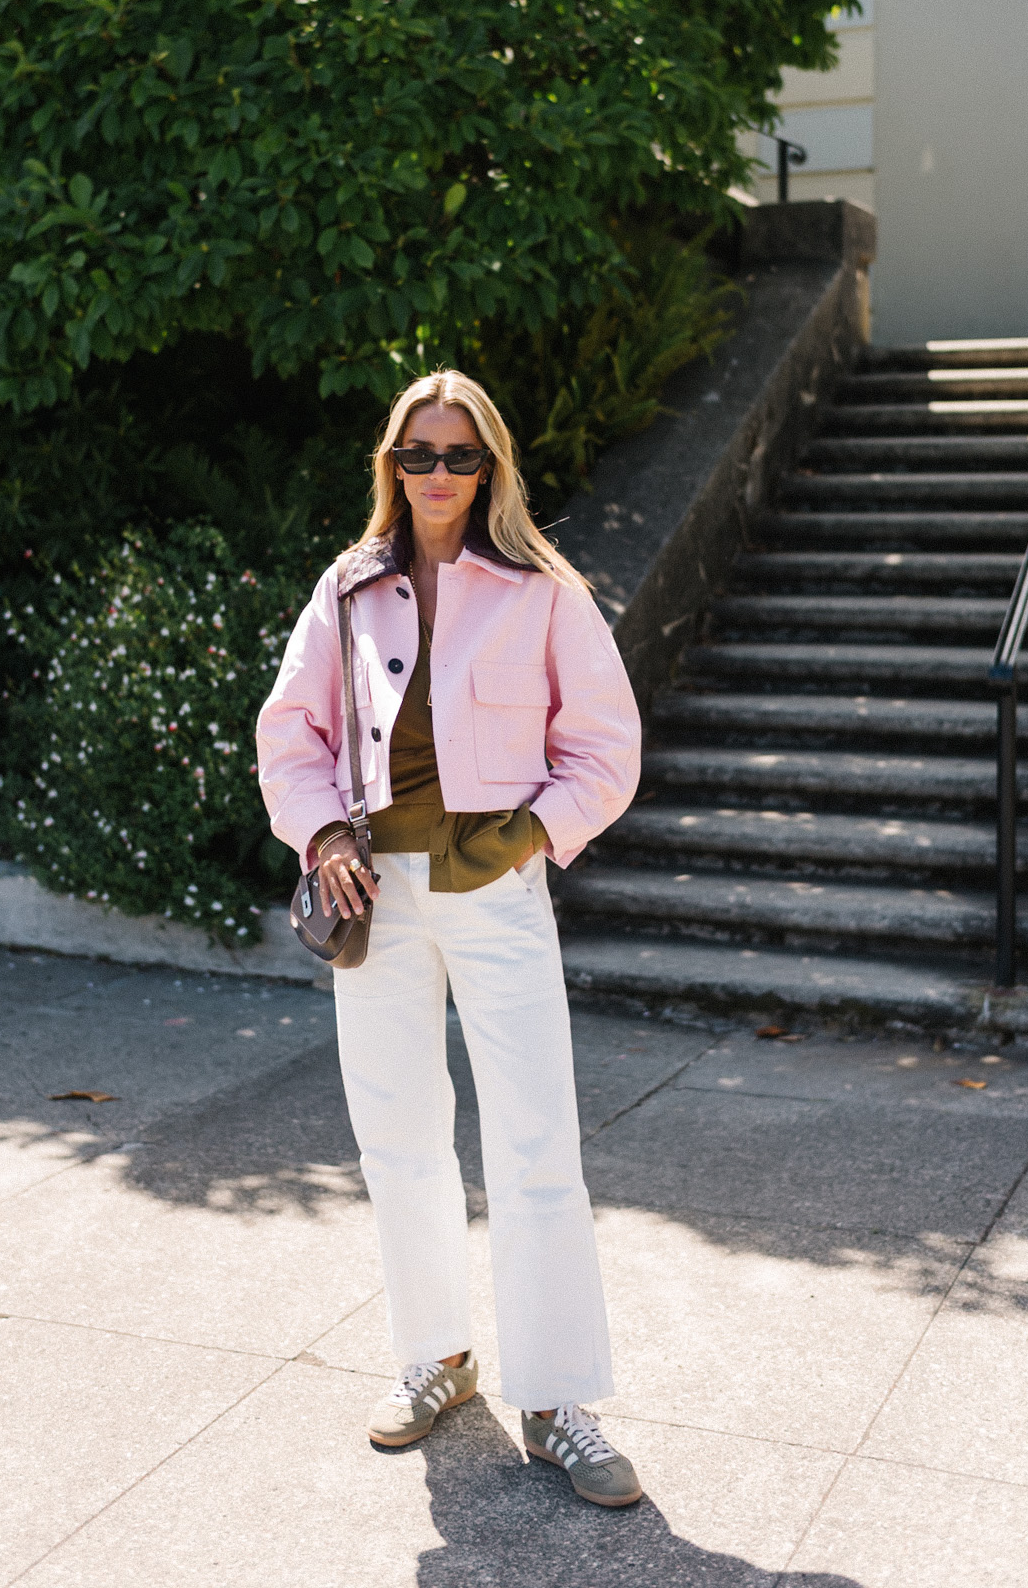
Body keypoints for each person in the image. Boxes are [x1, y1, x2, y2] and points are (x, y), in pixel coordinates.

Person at [255, 369, 643, 1507]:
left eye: (458, 456)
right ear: (390, 465)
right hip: (373, 895)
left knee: (535, 1145)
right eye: (416, 455)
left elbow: (606, 748)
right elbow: (292, 731)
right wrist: (321, 829)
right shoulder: (346, 587)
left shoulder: (542, 591)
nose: (436, 474)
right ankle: (436, 1360)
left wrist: (529, 835)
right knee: (398, 1139)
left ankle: (558, 1398)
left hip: (494, 888)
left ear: (491, 469)